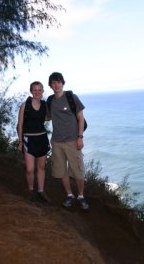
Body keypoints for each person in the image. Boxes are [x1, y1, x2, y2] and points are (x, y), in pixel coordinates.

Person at [47, 72, 89, 210]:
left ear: (62, 83)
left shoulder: (71, 97)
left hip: (72, 140)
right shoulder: (50, 100)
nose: (56, 85)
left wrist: (80, 137)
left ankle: (81, 196)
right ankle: (69, 195)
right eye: (53, 83)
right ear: (50, 85)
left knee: (78, 170)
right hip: (57, 142)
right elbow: (46, 117)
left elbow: (81, 118)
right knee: (61, 171)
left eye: (58, 82)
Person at [17, 81, 50, 203]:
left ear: (42, 91)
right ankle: (30, 190)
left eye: (39, 90)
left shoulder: (45, 105)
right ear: (31, 91)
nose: (37, 92)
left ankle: (41, 191)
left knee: (41, 167)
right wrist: (20, 142)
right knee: (30, 169)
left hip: (42, 138)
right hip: (28, 139)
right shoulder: (25, 105)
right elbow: (20, 125)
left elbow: (51, 117)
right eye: (34, 90)